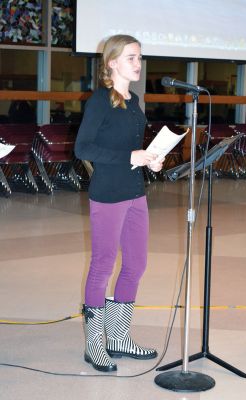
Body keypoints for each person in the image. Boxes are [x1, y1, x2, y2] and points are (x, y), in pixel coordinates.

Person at [74, 34, 164, 373]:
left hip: (135, 191)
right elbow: (83, 149)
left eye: (139, 57)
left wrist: (149, 160)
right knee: (103, 265)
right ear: (112, 62)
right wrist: (131, 156)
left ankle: (119, 337)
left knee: (136, 264)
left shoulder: (134, 101)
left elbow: (133, 151)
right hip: (108, 193)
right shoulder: (100, 100)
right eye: (131, 57)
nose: (137, 63)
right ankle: (94, 344)